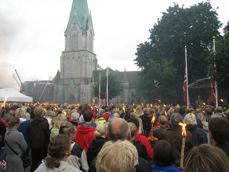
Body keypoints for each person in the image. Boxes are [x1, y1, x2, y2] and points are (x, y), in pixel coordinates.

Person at [29, 106, 50, 172]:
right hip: (43, 146)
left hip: (34, 145)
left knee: (34, 164)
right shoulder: (45, 122)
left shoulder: (31, 122)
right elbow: (47, 135)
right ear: (42, 113)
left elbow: (30, 133)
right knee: (43, 164)